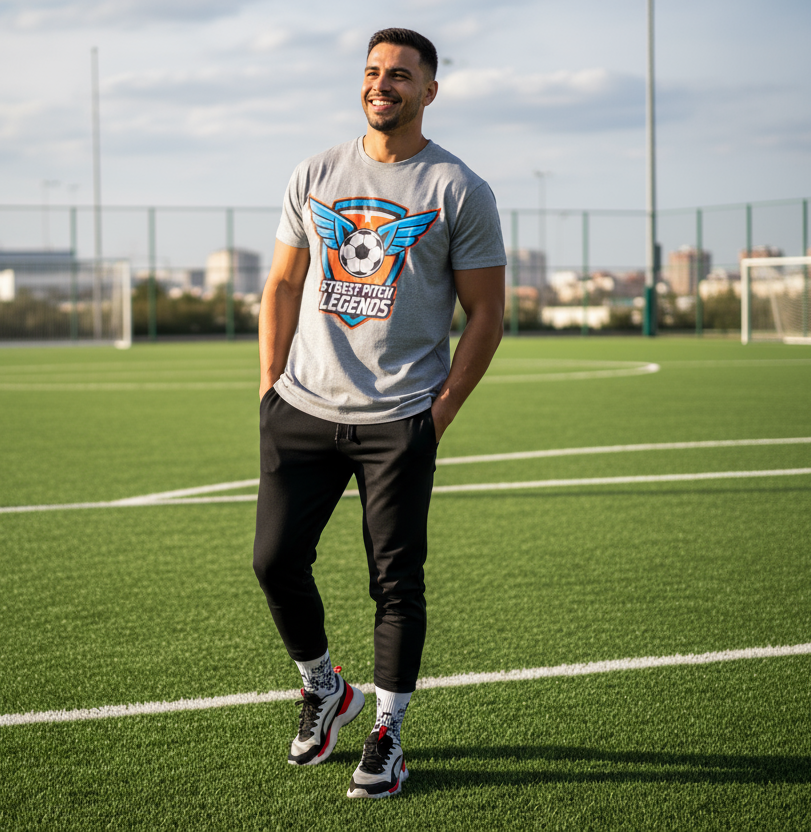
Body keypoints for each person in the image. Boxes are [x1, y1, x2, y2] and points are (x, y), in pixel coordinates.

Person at [253, 27, 507, 799]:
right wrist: (268, 386)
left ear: (430, 91)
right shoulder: (317, 171)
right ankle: (324, 687)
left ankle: (388, 733)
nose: (381, 84)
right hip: (301, 407)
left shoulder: (457, 188)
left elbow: (487, 312)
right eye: (372, 72)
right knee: (273, 563)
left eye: (400, 75)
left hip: (398, 418)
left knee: (395, 584)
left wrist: (443, 409)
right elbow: (284, 286)